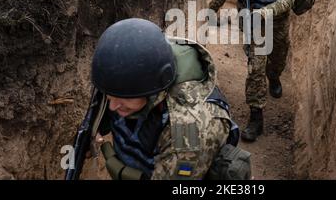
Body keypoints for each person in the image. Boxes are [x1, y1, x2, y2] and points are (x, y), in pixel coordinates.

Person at [89, 18, 250, 179]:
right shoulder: (131, 71)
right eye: (110, 97)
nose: (112, 106)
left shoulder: (189, 130)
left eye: (123, 99)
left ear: (152, 89)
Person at [229, 0, 303, 142]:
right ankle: (256, 116)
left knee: (278, 59)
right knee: (255, 68)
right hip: (254, 21)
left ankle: (275, 77)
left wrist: (264, 12)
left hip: (277, 21)